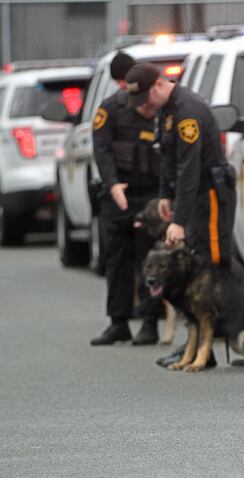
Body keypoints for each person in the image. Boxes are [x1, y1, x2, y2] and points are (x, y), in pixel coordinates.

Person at [124, 62, 236, 366]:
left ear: (159, 85)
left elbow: (189, 169)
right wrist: (165, 195)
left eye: (145, 99)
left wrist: (178, 221)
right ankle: (198, 343)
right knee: (195, 270)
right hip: (191, 194)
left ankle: (213, 342)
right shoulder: (167, 109)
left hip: (208, 195)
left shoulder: (187, 110)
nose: (143, 107)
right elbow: (168, 158)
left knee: (209, 268)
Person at [91, 52, 162, 346]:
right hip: (118, 195)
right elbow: (101, 149)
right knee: (116, 260)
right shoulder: (109, 110)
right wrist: (111, 184)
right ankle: (118, 322)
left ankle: (149, 323)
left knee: (149, 260)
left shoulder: (157, 108)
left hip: (150, 194)